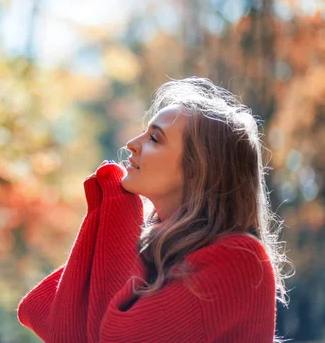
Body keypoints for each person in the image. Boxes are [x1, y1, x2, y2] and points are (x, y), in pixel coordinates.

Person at [17, 77, 290, 342]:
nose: (132, 144)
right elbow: (41, 310)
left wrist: (117, 204)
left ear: (199, 171)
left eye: (155, 139)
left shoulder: (240, 259)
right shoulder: (156, 245)